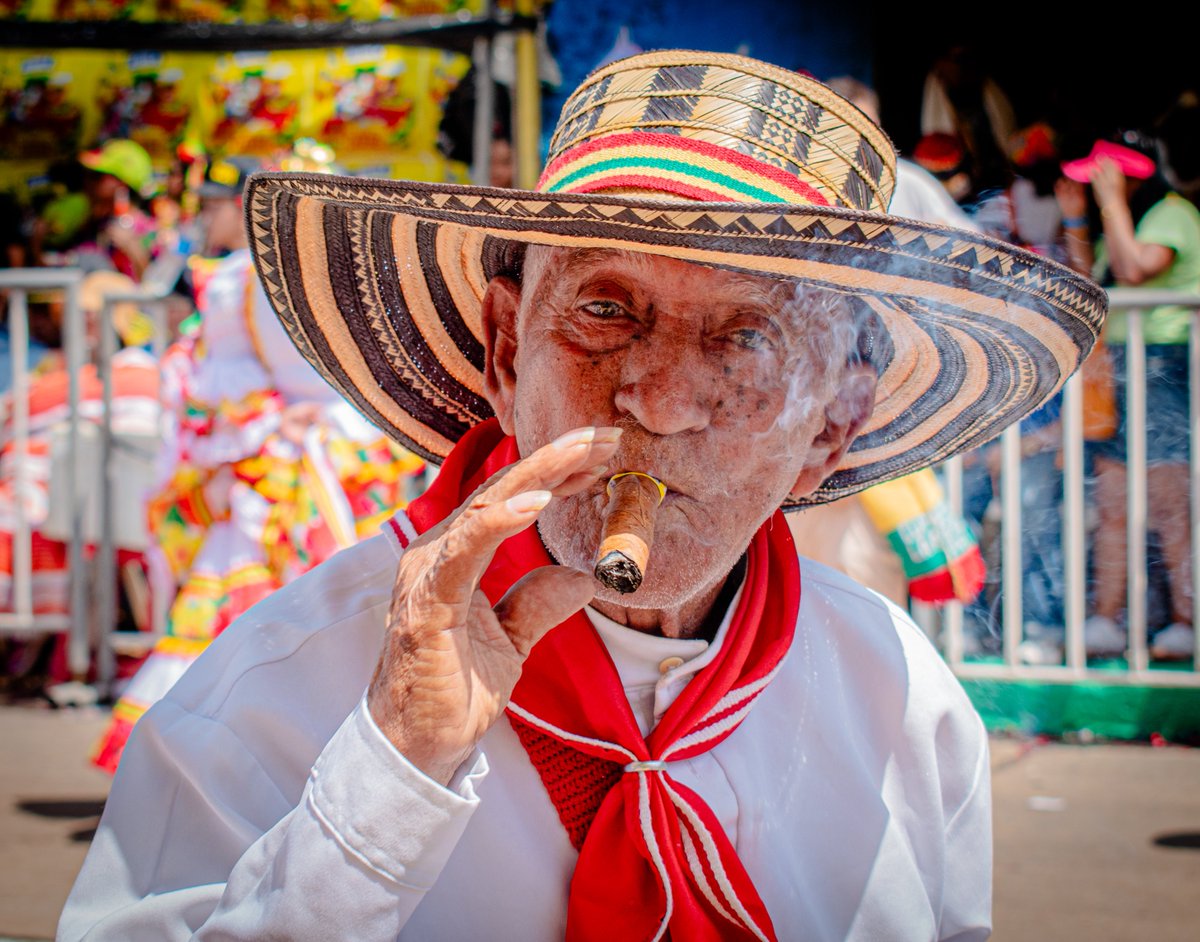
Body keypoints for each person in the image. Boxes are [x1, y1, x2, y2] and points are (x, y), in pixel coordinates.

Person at [61, 52, 1104, 940]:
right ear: (506, 350)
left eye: (745, 337)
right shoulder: (266, 703)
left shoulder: (901, 707)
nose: (658, 396)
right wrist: (389, 777)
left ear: (831, 424)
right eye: (606, 309)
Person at [89, 156, 426, 772]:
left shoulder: (235, 282)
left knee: (273, 605)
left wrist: (269, 424)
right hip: (331, 460)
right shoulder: (338, 269)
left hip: (289, 464)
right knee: (331, 603)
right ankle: (289, 759)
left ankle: (231, 760)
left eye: (215, 206)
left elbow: (219, 392)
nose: (208, 218)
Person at [1057, 134, 1200, 659]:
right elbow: (1087, 286)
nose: (1093, 188)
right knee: (1113, 504)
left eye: (1100, 178)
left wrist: (1112, 202)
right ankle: (1105, 621)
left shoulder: (1172, 213)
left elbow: (1137, 268)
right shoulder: (1125, 220)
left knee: (1167, 505)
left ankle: (1185, 622)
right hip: (1121, 373)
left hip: (1164, 366)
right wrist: (1077, 219)